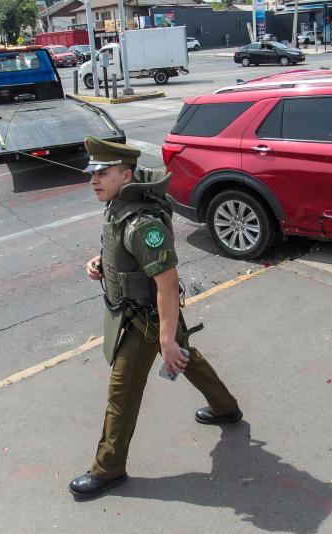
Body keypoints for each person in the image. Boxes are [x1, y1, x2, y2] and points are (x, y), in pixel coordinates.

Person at [69, 137, 242, 499]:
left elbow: (167, 282)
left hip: (145, 321)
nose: (94, 180)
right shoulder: (118, 205)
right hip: (144, 312)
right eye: (92, 173)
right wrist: (101, 264)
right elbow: (125, 256)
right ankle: (226, 407)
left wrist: (164, 339)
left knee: (123, 393)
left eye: (102, 172)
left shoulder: (142, 224)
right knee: (185, 358)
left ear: (126, 174)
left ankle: (109, 469)